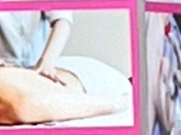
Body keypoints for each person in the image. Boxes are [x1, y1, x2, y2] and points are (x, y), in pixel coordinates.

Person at [0, 12, 132, 126]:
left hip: (48, 67)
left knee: (24, 100)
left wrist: (47, 61)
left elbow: (62, 20)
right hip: (14, 67)